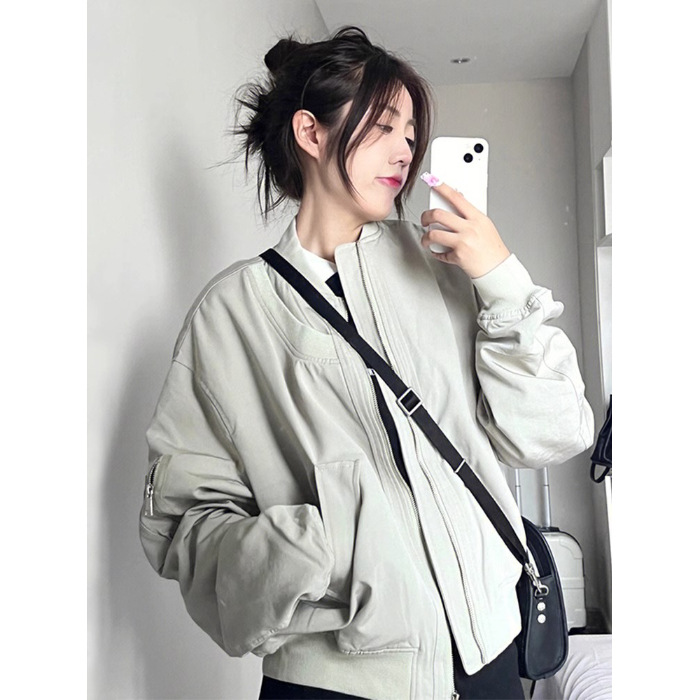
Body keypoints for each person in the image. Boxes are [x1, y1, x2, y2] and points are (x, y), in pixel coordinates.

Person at [139, 25, 594, 700]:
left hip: (490, 658)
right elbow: (184, 521)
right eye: (384, 126)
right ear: (311, 132)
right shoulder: (230, 313)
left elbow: (552, 433)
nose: (405, 150)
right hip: (337, 681)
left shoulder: (446, 269)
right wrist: (313, 549)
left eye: (411, 133)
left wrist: (501, 278)